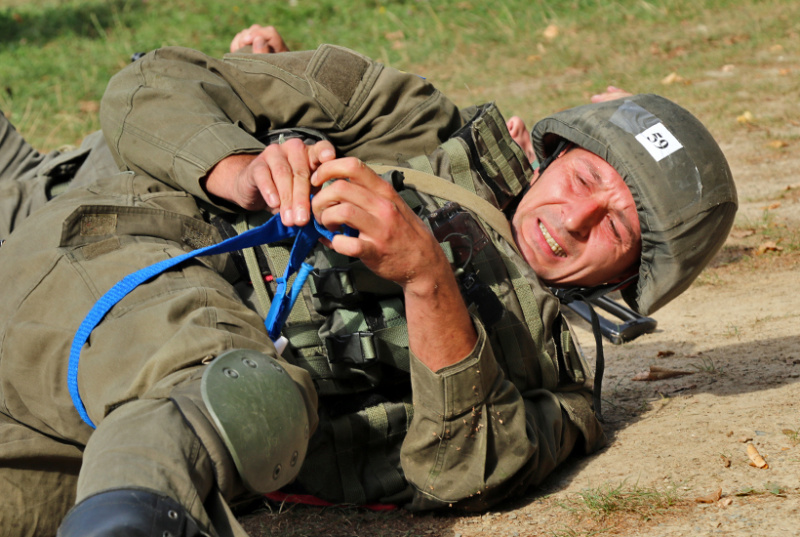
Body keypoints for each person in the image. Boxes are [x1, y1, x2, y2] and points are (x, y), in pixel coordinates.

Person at [0, 26, 736, 537]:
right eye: (580, 178)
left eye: (613, 228)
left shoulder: (560, 399)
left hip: (86, 415)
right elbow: (154, 78)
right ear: (551, 151)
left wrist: (426, 275)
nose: (573, 217)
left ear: (631, 276)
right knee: (241, 386)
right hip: (77, 233)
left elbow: (464, 469)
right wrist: (243, 168)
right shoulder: (408, 119)